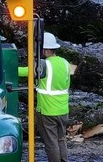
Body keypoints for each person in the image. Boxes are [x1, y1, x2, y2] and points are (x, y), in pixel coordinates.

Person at [18, 31, 71, 162]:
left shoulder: (43, 65)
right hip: (63, 110)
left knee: (51, 142)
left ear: (46, 50)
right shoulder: (65, 63)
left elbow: (24, 72)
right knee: (61, 139)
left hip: (47, 111)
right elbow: (66, 85)